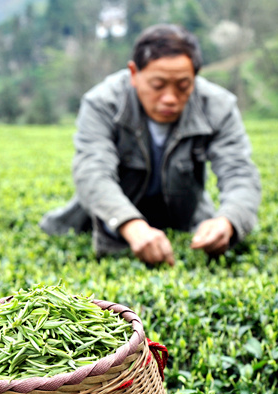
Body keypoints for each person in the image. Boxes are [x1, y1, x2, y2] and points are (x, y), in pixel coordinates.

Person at [39, 24, 261, 265]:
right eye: (158, 85)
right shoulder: (102, 103)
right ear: (134, 73)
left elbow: (240, 173)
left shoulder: (218, 106)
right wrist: (130, 224)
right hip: (105, 224)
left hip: (186, 221)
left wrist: (228, 221)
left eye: (183, 86)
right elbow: (92, 172)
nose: (170, 98)